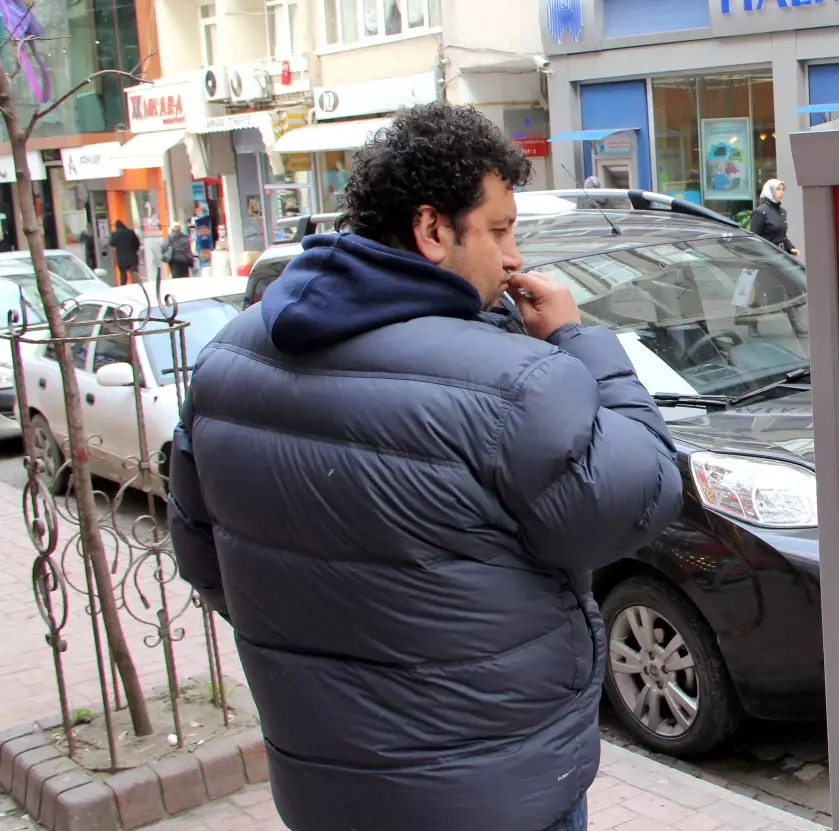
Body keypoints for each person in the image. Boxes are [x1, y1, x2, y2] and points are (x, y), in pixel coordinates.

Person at [167, 102, 684, 831]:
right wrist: (579, 340)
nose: (513, 256)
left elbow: (202, 557)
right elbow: (641, 495)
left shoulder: (224, 361)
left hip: (327, 789)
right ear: (432, 229)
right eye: (500, 230)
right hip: (494, 791)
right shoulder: (517, 381)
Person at [108, 220, 141, 285]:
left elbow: (111, 243)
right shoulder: (130, 232)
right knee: (134, 273)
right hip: (132, 256)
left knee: (123, 275)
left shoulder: (115, 234)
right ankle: (136, 286)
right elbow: (137, 243)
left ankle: (123, 287)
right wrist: (134, 250)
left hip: (121, 258)